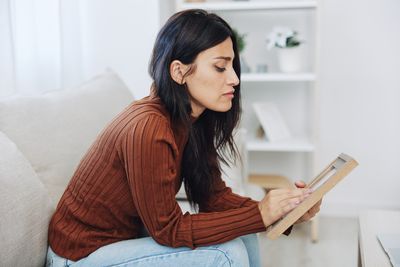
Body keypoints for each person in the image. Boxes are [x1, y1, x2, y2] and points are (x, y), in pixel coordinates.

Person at [46, 9, 321, 267]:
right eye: (220, 67)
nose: (235, 79)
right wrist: (261, 213)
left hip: (124, 240)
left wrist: (285, 212)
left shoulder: (191, 121)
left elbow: (213, 198)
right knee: (227, 253)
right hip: (80, 255)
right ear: (179, 71)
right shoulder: (149, 128)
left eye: (233, 66)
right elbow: (168, 230)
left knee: (244, 231)